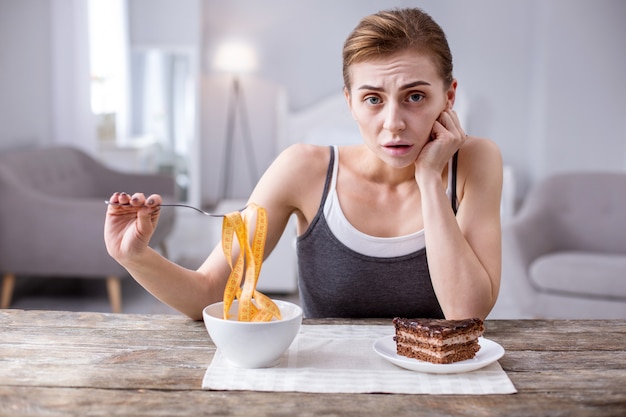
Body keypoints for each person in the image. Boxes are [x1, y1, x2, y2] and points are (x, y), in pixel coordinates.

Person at [104, 7, 502, 321]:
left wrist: (430, 179)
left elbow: (467, 314)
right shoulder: (302, 169)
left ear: (448, 97)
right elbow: (211, 292)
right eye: (373, 99)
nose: (393, 123)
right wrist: (135, 256)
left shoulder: (476, 162)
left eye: (415, 97)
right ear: (350, 102)